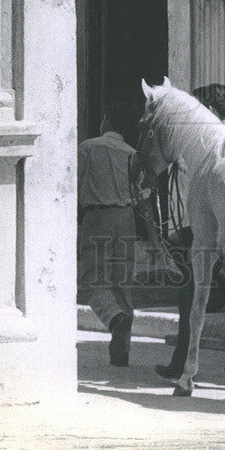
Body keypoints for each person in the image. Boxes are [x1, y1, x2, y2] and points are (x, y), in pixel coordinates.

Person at [155, 84, 225, 392]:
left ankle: (183, 366)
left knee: (191, 297)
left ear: (211, 111)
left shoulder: (207, 143)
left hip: (206, 229)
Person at [78, 100, 143, 367]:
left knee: (91, 280)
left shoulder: (89, 147)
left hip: (98, 217)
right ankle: (122, 351)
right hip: (126, 218)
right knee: (122, 282)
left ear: (106, 118)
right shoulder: (132, 153)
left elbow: (72, 183)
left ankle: (114, 318)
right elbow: (141, 192)